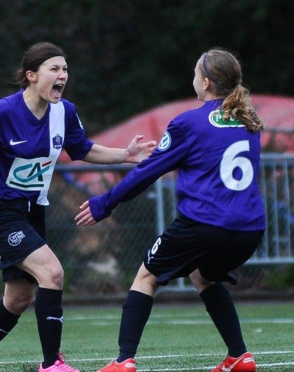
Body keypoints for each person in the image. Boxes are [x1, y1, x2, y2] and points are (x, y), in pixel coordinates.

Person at [0, 41, 157, 372]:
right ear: (31, 75)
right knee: (52, 272)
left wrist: (126, 155)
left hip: (32, 211)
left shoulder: (64, 112)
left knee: (18, 298)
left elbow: (83, 149)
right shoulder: (2, 112)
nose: (62, 76)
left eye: (65, 70)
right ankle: (52, 364)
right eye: (54, 69)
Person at [75, 47, 265, 372]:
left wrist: (104, 203)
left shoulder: (188, 123)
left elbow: (146, 172)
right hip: (249, 229)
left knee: (146, 276)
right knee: (203, 276)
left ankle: (123, 361)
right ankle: (239, 356)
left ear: (205, 83)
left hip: (205, 223)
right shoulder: (248, 123)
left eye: (194, 74)